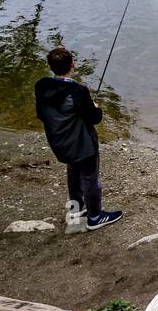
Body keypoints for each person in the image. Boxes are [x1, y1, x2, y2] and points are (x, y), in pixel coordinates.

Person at [35, 47, 123, 231]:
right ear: (73, 65)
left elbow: (42, 115)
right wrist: (95, 106)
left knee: (73, 173)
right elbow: (95, 118)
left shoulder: (42, 87)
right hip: (83, 145)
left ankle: (75, 211)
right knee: (90, 179)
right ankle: (95, 217)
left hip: (60, 144)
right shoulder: (78, 91)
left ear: (49, 66)